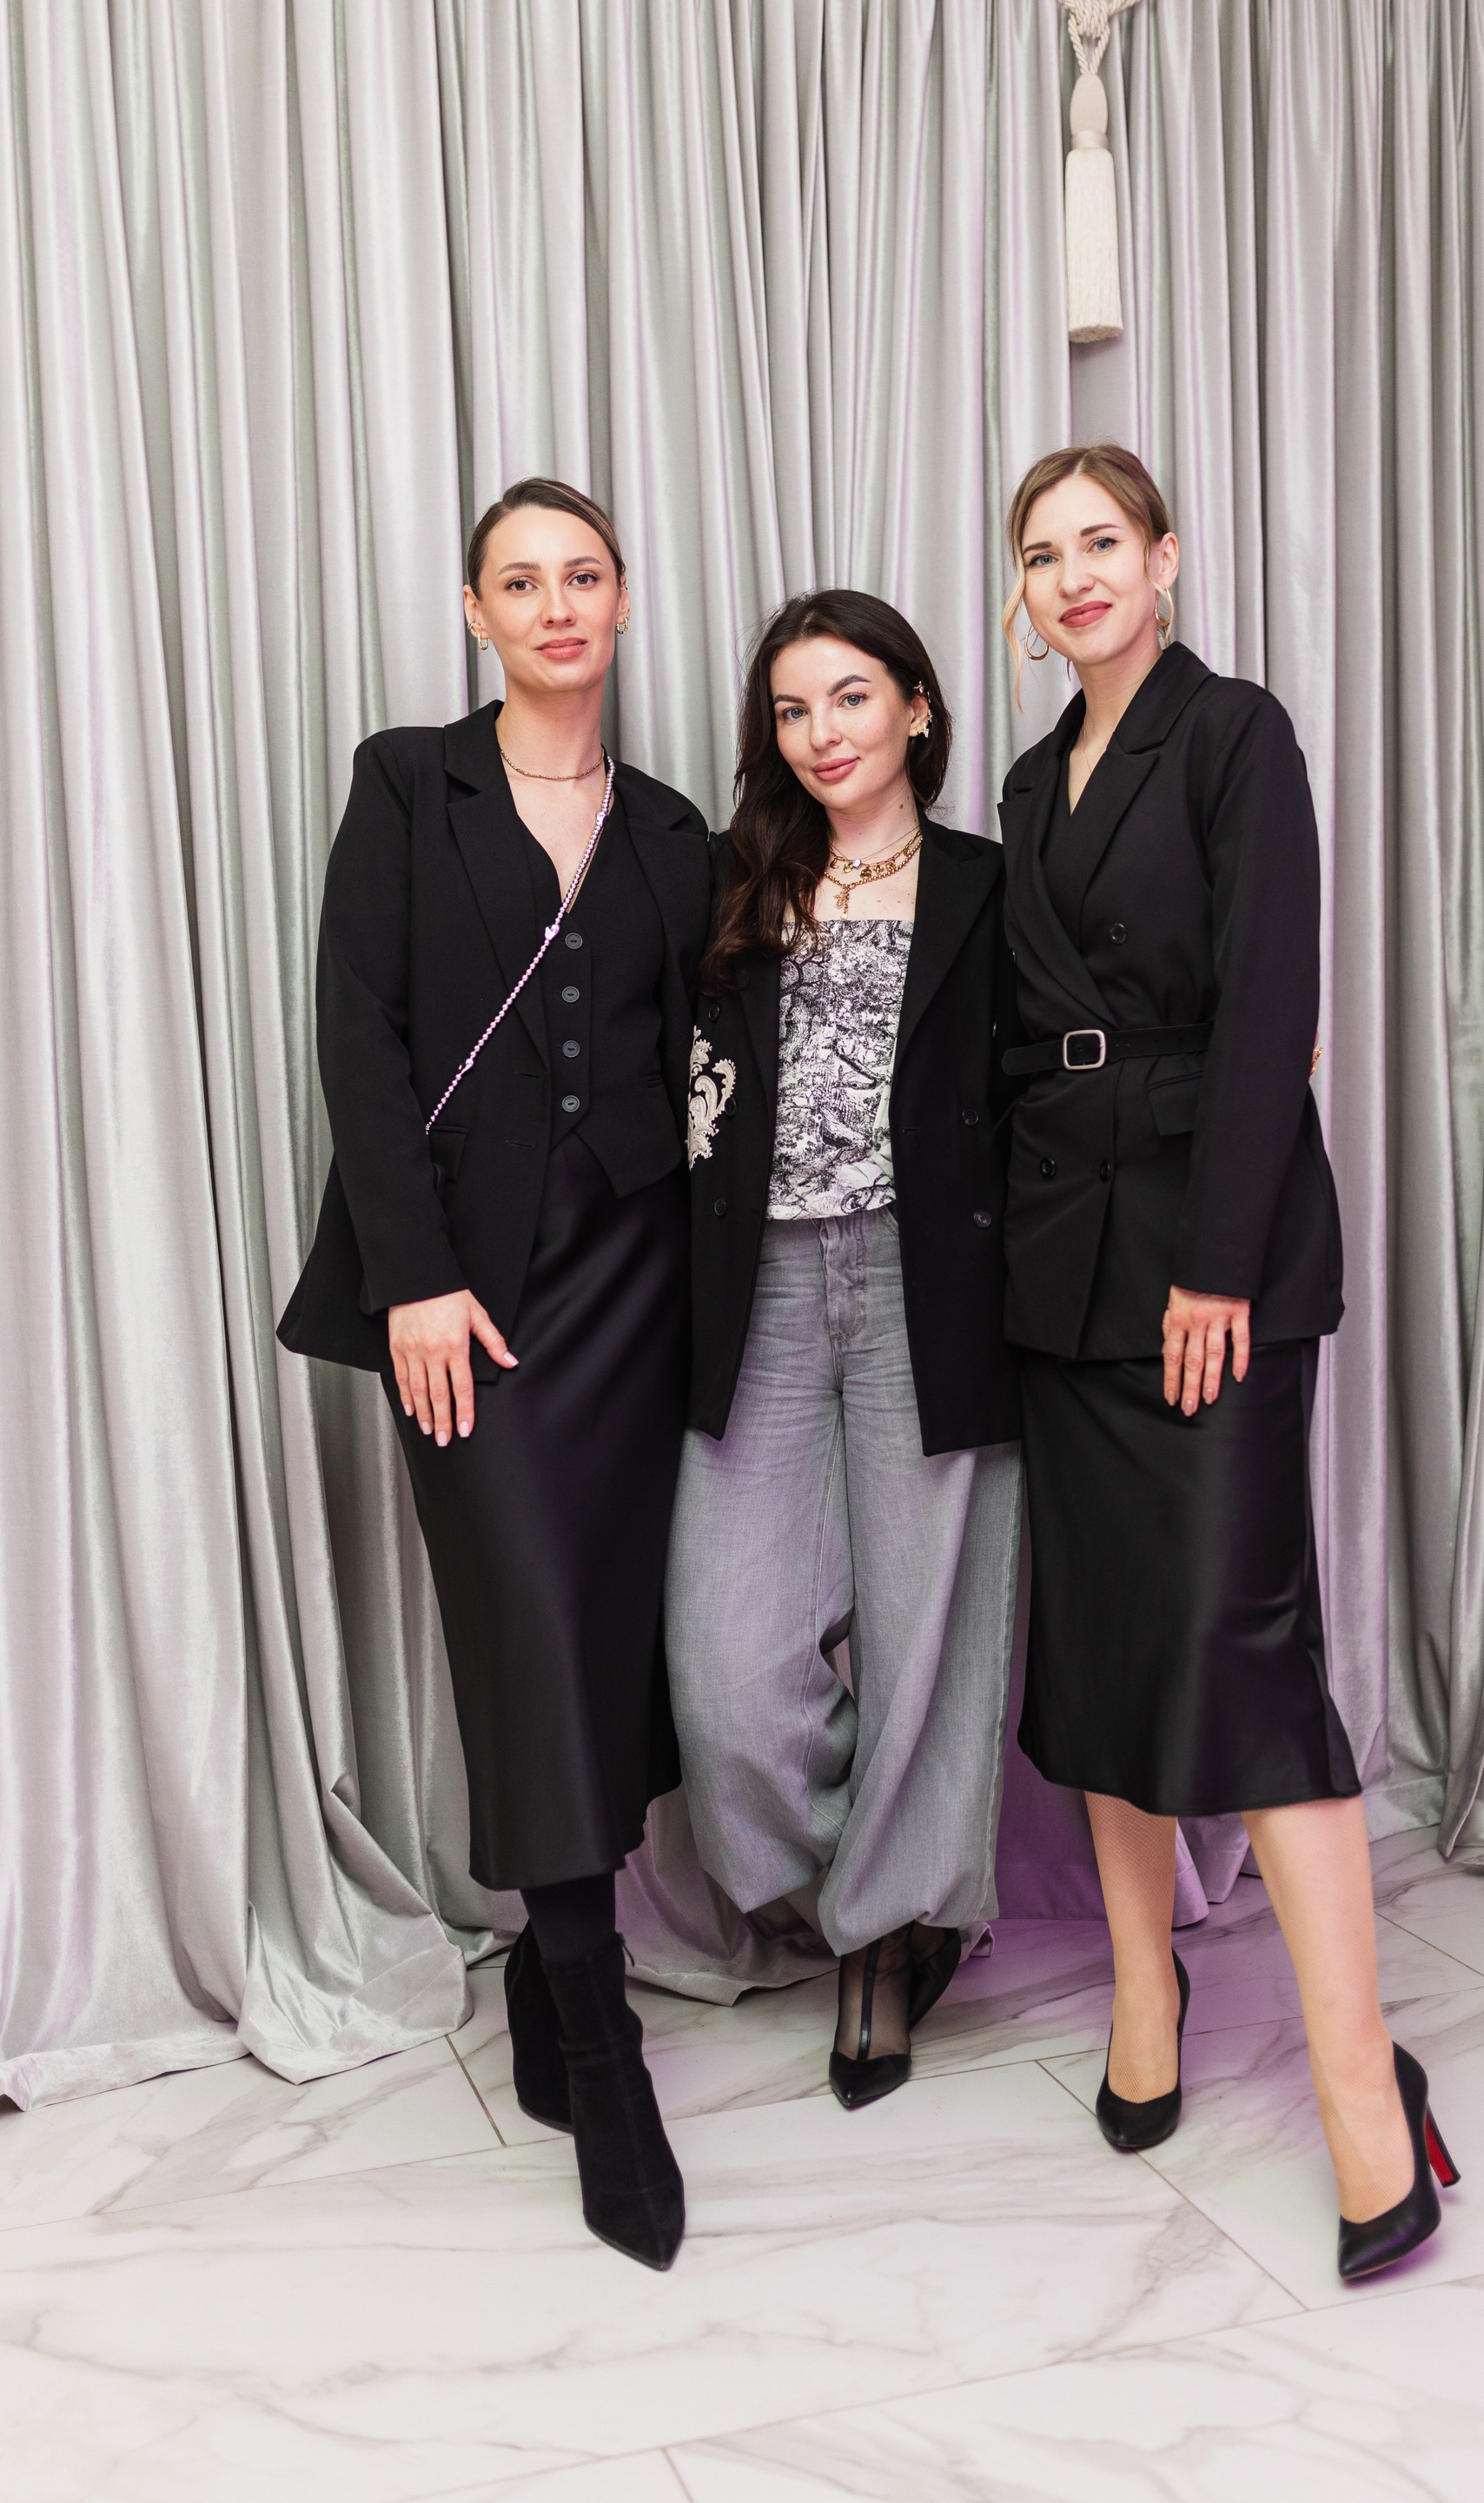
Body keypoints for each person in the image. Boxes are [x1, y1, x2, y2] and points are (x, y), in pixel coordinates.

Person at [997, 443, 1460, 2281]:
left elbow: (1275, 1006)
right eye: (1044, 553)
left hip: (1210, 1251)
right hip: (1061, 1268)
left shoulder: (1235, 735)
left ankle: (1365, 2093)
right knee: (1104, 1649)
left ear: (1166, 556)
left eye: (1102, 541)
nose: (1075, 575)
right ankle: (1145, 1991)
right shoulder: (1027, 780)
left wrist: (1219, 1271)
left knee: (1242, 1650)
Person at [278, 477, 711, 2271]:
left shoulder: (676, 829)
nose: (555, 606)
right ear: (477, 612)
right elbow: (358, 1035)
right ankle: (602, 2046)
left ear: (622, 600)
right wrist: (415, 1280)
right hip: (470, 1300)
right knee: (528, 1626)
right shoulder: (407, 785)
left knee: (607, 1639)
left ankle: (546, 1971)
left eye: (582, 575)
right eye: (520, 582)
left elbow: (725, 1047)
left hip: (639, 1289)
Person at [666, 589, 1024, 2108]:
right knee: (728, 1671)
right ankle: (868, 1889)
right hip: (753, 1288)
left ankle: (888, 1936)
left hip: (928, 1286)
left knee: (930, 1635)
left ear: (918, 708)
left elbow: (1084, 1040)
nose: (823, 733)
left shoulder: (991, 883)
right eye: (794, 709)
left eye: (853, 697)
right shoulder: (732, 880)